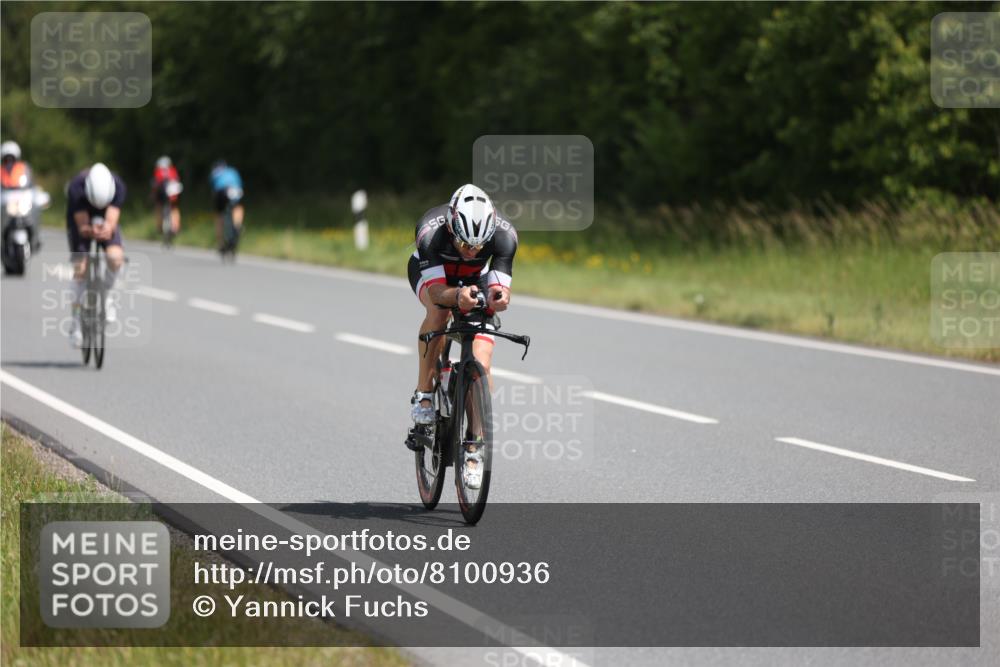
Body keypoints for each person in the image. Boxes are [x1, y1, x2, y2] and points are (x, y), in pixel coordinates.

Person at [407, 184, 517, 489]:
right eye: (465, 243)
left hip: (475, 279)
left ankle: (474, 446)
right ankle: (424, 394)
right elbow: (436, 292)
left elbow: (500, 289)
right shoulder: (430, 231)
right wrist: (457, 296)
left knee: (482, 359)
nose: (472, 251)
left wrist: (499, 297)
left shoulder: (505, 236)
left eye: (479, 246)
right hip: (434, 276)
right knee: (439, 312)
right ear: (451, 226)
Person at [65, 163, 127, 348]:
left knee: (115, 257)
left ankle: (107, 296)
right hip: (81, 219)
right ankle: (75, 322)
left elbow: (112, 219)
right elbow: (82, 225)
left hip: (105, 217)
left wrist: (107, 228)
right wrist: (88, 230)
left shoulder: (118, 186)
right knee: (81, 267)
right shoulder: (76, 187)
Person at [209, 160, 244, 250]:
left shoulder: (215, 172)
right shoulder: (233, 171)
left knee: (219, 215)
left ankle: (220, 242)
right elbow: (240, 183)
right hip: (236, 189)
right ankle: (237, 225)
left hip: (222, 191)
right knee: (238, 207)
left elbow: (213, 185)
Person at [151, 155, 182, 236]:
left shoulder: (158, 171)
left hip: (162, 193)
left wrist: (153, 195)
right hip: (173, 194)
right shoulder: (173, 170)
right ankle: (176, 227)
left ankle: (159, 226)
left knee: (158, 207)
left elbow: (155, 185)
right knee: (174, 208)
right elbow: (178, 182)